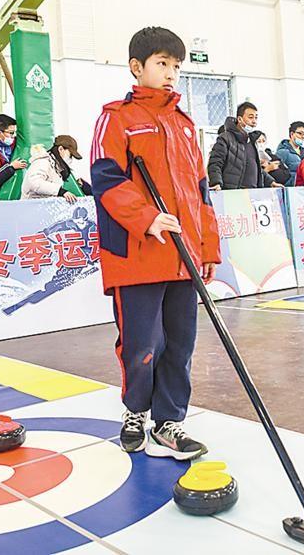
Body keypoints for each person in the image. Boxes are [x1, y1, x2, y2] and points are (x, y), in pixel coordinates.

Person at [90, 26, 220, 460]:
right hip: (138, 255)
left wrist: (208, 249)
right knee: (142, 345)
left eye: (176, 66)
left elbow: (201, 194)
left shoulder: (185, 127)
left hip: (184, 257)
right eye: (162, 63)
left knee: (180, 344)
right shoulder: (116, 117)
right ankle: (134, 413)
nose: (171, 73)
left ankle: (169, 422)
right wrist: (147, 218)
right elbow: (106, 179)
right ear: (137, 67)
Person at [207, 102, 274, 190]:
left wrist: (271, 182)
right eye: (250, 117)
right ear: (239, 119)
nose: (254, 121)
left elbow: (256, 168)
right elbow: (215, 163)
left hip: (253, 194)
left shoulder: (252, 141)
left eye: (256, 118)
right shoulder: (226, 138)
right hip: (233, 192)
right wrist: (216, 182)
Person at [22, 135, 88, 202]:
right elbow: (34, 183)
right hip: (31, 207)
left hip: (42, 207)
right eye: (70, 155)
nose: (71, 159)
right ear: (61, 149)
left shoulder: (56, 168)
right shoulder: (43, 162)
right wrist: (60, 191)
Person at [277, 121, 304, 186]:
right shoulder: (283, 152)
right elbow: (278, 174)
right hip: (291, 189)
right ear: (292, 134)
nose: (303, 137)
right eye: (300, 133)